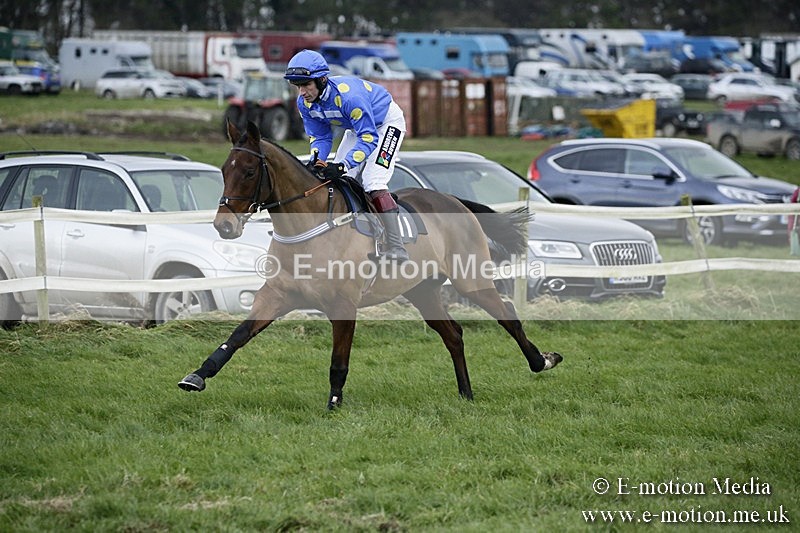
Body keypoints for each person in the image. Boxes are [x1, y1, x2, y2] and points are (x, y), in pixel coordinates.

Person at [284, 49, 409, 262]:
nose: (302, 92)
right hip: (356, 128)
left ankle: (397, 246)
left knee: (373, 181)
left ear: (322, 80)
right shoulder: (304, 103)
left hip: (385, 124)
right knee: (340, 179)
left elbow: (368, 138)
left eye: (306, 85)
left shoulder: (349, 97)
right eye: (297, 86)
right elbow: (321, 137)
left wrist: (343, 164)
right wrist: (317, 161)